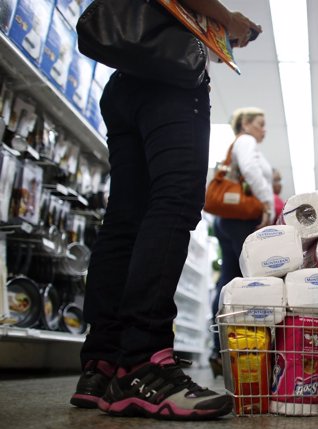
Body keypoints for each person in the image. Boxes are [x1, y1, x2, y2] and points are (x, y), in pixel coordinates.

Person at [69, 0, 261, 420]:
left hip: (125, 85)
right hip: (170, 78)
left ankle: (102, 363)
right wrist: (229, 21)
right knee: (174, 203)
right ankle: (142, 363)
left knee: (125, 218)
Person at [209, 107, 274, 375]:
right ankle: (241, 346)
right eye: (260, 123)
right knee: (250, 280)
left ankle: (219, 349)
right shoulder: (246, 141)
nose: (264, 129)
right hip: (241, 220)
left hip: (227, 219)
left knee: (228, 281)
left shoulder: (241, 143)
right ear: (245, 124)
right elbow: (249, 169)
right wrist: (268, 203)